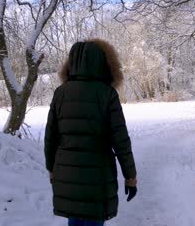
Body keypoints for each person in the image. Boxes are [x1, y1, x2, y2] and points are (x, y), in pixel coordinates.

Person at [44, 39, 137, 226]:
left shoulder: (60, 93)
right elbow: (121, 141)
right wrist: (130, 177)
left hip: (67, 173)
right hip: (98, 176)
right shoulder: (107, 94)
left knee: (75, 220)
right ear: (104, 63)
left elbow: (51, 136)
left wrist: (51, 168)